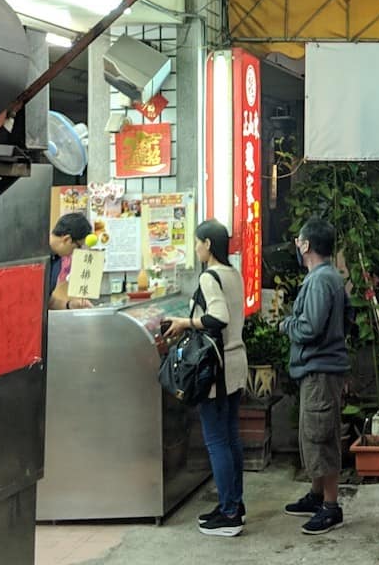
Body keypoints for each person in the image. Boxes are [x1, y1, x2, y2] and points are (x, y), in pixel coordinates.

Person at [163, 219, 248, 538]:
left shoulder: (211, 276)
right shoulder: (233, 273)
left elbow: (218, 318)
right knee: (231, 437)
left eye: (197, 242)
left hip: (218, 368)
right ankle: (233, 504)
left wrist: (185, 322)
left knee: (216, 440)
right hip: (236, 362)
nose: (196, 247)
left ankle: (230, 512)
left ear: (208, 244)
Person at [281, 217, 351, 536]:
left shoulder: (321, 280)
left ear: (307, 244)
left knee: (321, 437)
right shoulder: (327, 277)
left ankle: (331, 507)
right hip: (321, 369)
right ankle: (316, 495)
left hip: (321, 371)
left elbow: (310, 327)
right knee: (314, 434)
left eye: (299, 240)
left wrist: (286, 325)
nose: (296, 244)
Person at [48, 212, 94, 310]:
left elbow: (47, 301)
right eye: (78, 246)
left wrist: (69, 305)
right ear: (67, 239)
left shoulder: (57, 260)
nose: (74, 252)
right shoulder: (34, 254)